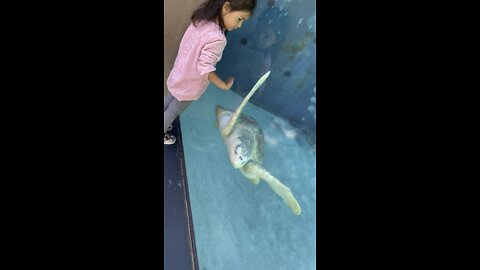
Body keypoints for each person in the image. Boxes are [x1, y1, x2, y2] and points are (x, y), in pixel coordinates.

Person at [164, 0, 257, 145]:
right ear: (226, 7)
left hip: (178, 74)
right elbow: (206, 69)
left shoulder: (201, 21)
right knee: (173, 111)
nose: (239, 26)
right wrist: (224, 85)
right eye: (240, 19)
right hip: (190, 84)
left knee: (168, 100)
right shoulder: (218, 38)